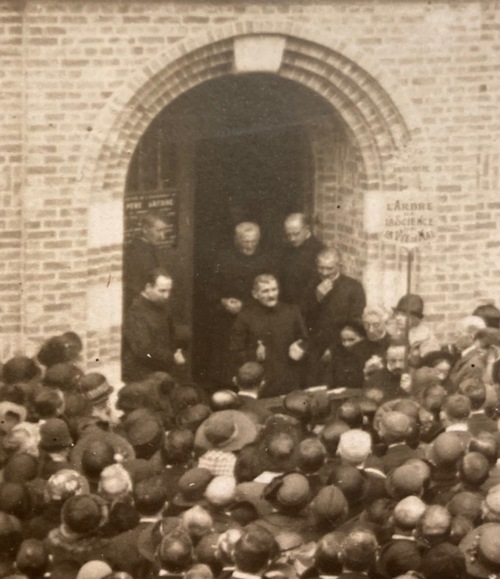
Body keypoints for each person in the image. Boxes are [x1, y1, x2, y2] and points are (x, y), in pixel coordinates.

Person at [208, 223, 276, 386]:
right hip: (228, 320)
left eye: (254, 241)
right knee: (228, 364)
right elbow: (210, 289)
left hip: (255, 319)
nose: (250, 245)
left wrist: (246, 306)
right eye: (245, 242)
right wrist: (223, 302)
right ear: (236, 240)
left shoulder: (267, 259)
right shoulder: (223, 258)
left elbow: (272, 292)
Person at [230, 274, 308, 397]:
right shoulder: (245, 317)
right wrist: (253, 354)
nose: (271, 295)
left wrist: (301, 348)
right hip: (261, 385)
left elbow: (306, 340)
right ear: (255, 294)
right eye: (265, 291)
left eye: (274, 289)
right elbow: (235, 351)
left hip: (289, 381)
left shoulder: (292, 312)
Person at [301, 248, 366, 385]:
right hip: (315, 347)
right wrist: (316, 298)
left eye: (329, 268)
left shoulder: (353, 287)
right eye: (321, 268)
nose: (324, 273)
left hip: (342, 347)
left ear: (339, 266)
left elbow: (356, 321)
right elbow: (303, 314)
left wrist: (334, 348)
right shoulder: (311, 283)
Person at [122, 268, 185, 382]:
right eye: (162, 291)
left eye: (169, 291)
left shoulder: (161, 305)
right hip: (144, 375)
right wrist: (172, 357)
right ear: (148, 287)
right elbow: (143, 350)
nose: (166, 295)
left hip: (161, 372)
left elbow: (170, 333)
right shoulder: (136, 312)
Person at [123, 211, 168, 311]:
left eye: (164, 231)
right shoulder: (135, 252)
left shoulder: (150, 249)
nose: (162, 236)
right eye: (159, 231)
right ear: (145, 229)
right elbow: (135, 288)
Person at [278, 213, 324, 305]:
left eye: (296, 234)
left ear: (307, 229)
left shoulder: (319, 250)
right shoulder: (286, 248)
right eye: (289, 235)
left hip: (308, 305)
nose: (292, 239)